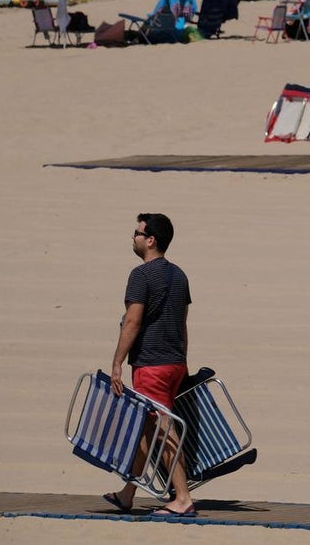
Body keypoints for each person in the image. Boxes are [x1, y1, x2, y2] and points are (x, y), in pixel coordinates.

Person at [102, 213, 196, 517]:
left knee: (163, 429)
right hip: (174, 363)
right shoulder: (180, 275)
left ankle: (182, 498)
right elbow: (182, 323)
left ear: (151, 240)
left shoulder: (140, 275)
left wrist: (117, 362)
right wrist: (182, 360)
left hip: (152, 365)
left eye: (137, 233)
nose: (133, 237)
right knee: (146, 427)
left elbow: (132, 321)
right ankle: (127, 494)